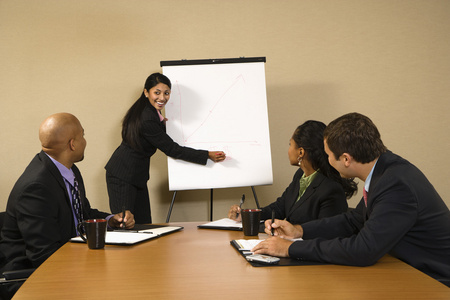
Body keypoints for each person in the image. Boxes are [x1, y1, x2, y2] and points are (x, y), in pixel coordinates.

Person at [252, 112, 450, 286]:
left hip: (435, 281)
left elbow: (364, 250)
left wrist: (291, 248)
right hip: (410, 271)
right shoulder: (384, 171)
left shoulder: (395, 185)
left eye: (329, 155)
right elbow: (354, 220)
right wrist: (299, 231)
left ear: (346, 159)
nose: (327, 160)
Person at [0, 113, 135, 299]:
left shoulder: (68, 170)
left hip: (66, 265)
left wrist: (111, 220)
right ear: (72, 144)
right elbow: (44, 255)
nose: (85, 141)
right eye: (83, 136)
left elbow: (83, 213)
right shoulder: (36, 187)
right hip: (31, 277)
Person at [105, 73, 226, 224]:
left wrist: (161, 125)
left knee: (143, 223)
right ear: (146, 92)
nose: (162, 98)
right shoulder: (147, 117)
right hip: (122, 175)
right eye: (157, 92)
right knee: (125, 224)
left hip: (134, 175)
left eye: (166, 93)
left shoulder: (148, 110)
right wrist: (207, 155)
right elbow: (173, 150)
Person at [228, 120, 357, 224]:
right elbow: (279, 208)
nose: (288, 150)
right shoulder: (300, 175)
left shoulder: (330, 189)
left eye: (290, 144)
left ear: (300, 152)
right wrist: (244, 215)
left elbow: (325, 234)